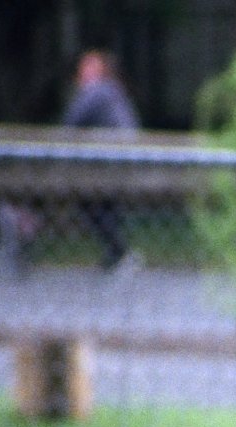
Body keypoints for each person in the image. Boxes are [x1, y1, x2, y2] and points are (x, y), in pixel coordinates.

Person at [63, 49, 140, 271]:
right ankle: (117, 253)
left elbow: (70, 123)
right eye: (84, 66)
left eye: (92, 67)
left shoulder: (98, 91)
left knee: (91, 201)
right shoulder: (112, 91)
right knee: (98, 204)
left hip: (114, 163)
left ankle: (118, 252)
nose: (86, 72)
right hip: (114, 163)